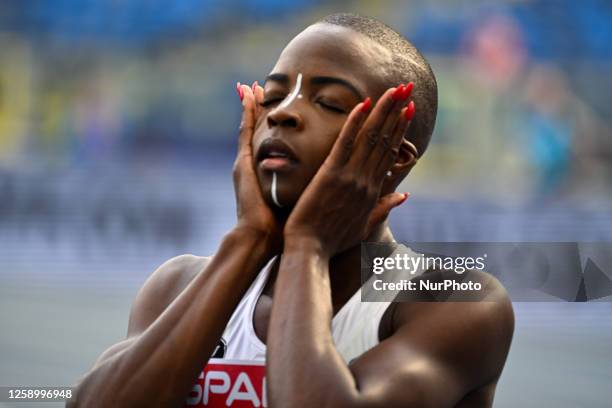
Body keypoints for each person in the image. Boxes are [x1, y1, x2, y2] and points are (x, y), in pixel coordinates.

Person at [68, 13, 514, 408]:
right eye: (274, 97)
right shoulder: (176, 284)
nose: (284, 115)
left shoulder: (452, 302)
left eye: (328, 103)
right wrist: (248, 241)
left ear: (395, 156)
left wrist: (307, 244)